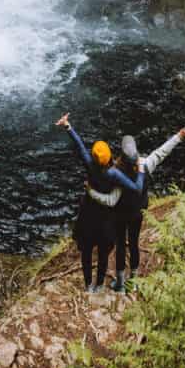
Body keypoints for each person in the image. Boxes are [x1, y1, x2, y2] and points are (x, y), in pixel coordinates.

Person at [87, 127, 185, 291]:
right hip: (138, 214)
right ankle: (134, 281)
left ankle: (120, 283)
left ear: (122, 156)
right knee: (134, 244)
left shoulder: (117, 175)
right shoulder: (145, 164)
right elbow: (161, 153)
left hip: (120, 216)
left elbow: (110, 201)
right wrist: (178, 137)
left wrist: (91, 192)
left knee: (121, 246)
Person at [55, 111, 145, 293]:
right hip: (106, 219)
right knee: (103, 254)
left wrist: (68, 126)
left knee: (86, 253)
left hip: (87, 215)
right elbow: (136, 188)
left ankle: (88, 285)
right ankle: (99, 285)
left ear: (95, 156)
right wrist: (141, 172)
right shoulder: (113, 173)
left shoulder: (89, 164)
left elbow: (80, 147)